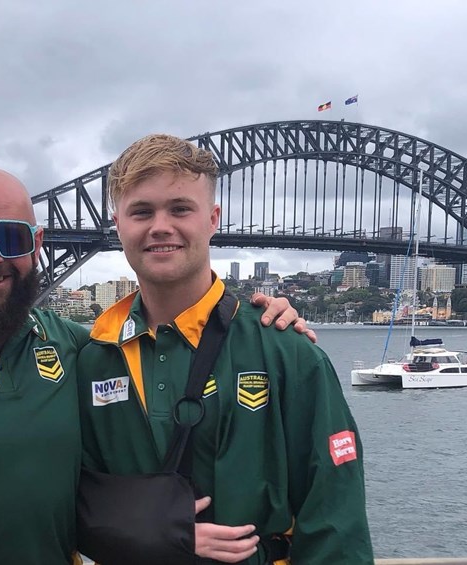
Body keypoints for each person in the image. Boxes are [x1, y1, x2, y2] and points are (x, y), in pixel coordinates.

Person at [0, 166, 311, 564]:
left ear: (37, 243)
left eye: (11, 239)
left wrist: (265, 322)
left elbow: (174, 349)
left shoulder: (72, 345)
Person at [78, 134, 374, 564]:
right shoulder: (92, 358)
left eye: (180, 208)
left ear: (213, 218)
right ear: (117, 225)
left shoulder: (286, 352)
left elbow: (335, 516)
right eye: (141, 211)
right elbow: (71, 498)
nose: (161, 226)